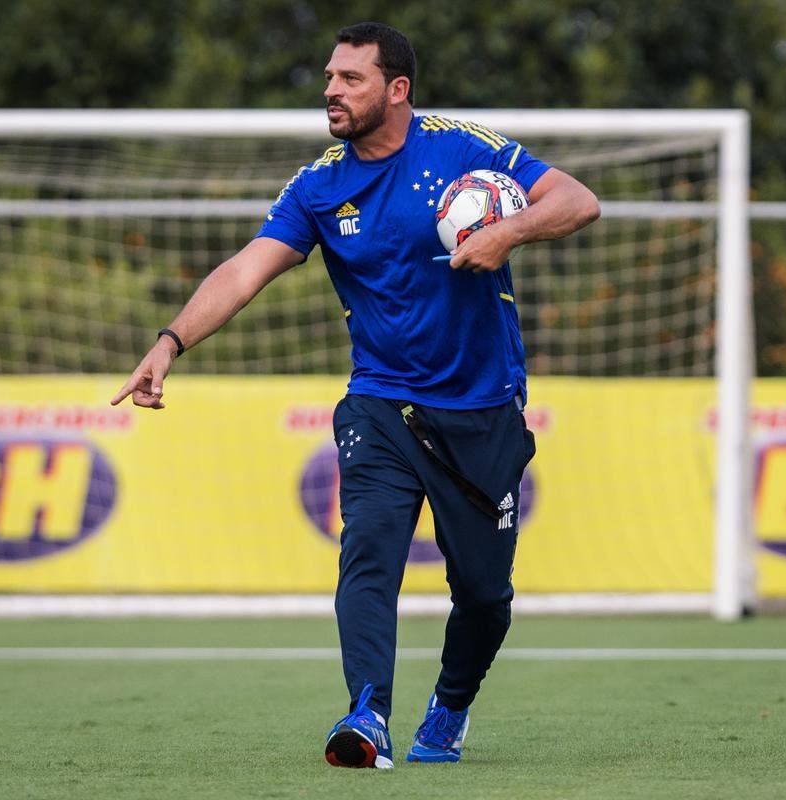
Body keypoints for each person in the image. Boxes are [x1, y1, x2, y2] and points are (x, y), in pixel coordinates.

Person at [112, 21, 600, 769]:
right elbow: (245, 270)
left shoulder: (461, 147)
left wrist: (512, 234)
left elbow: (578, 200)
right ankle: (366, 714)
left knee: (484, 595)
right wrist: (169, 341)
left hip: (480, 410)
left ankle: (452, 706)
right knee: (368, 550)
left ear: (397, 89)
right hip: (380, 405)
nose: (331, 91)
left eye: (351, 79)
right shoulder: (318, 185)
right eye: (330, 78)